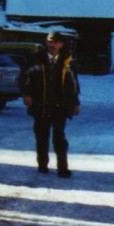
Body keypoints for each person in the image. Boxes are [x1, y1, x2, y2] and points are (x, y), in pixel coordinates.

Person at [21, 31, 81, 177]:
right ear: (46, 42)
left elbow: (74, 85)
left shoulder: (68, 61)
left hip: (60, 105)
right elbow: (24, 78)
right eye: (50, 41)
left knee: (59, 137)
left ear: (61, 44)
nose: (53, 44)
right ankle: (42, 164)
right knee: (42, 136)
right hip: (41, 105)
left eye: (56, 42)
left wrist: (75, 103)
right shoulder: (36, 59)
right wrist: (27, 95)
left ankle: (62, 167)